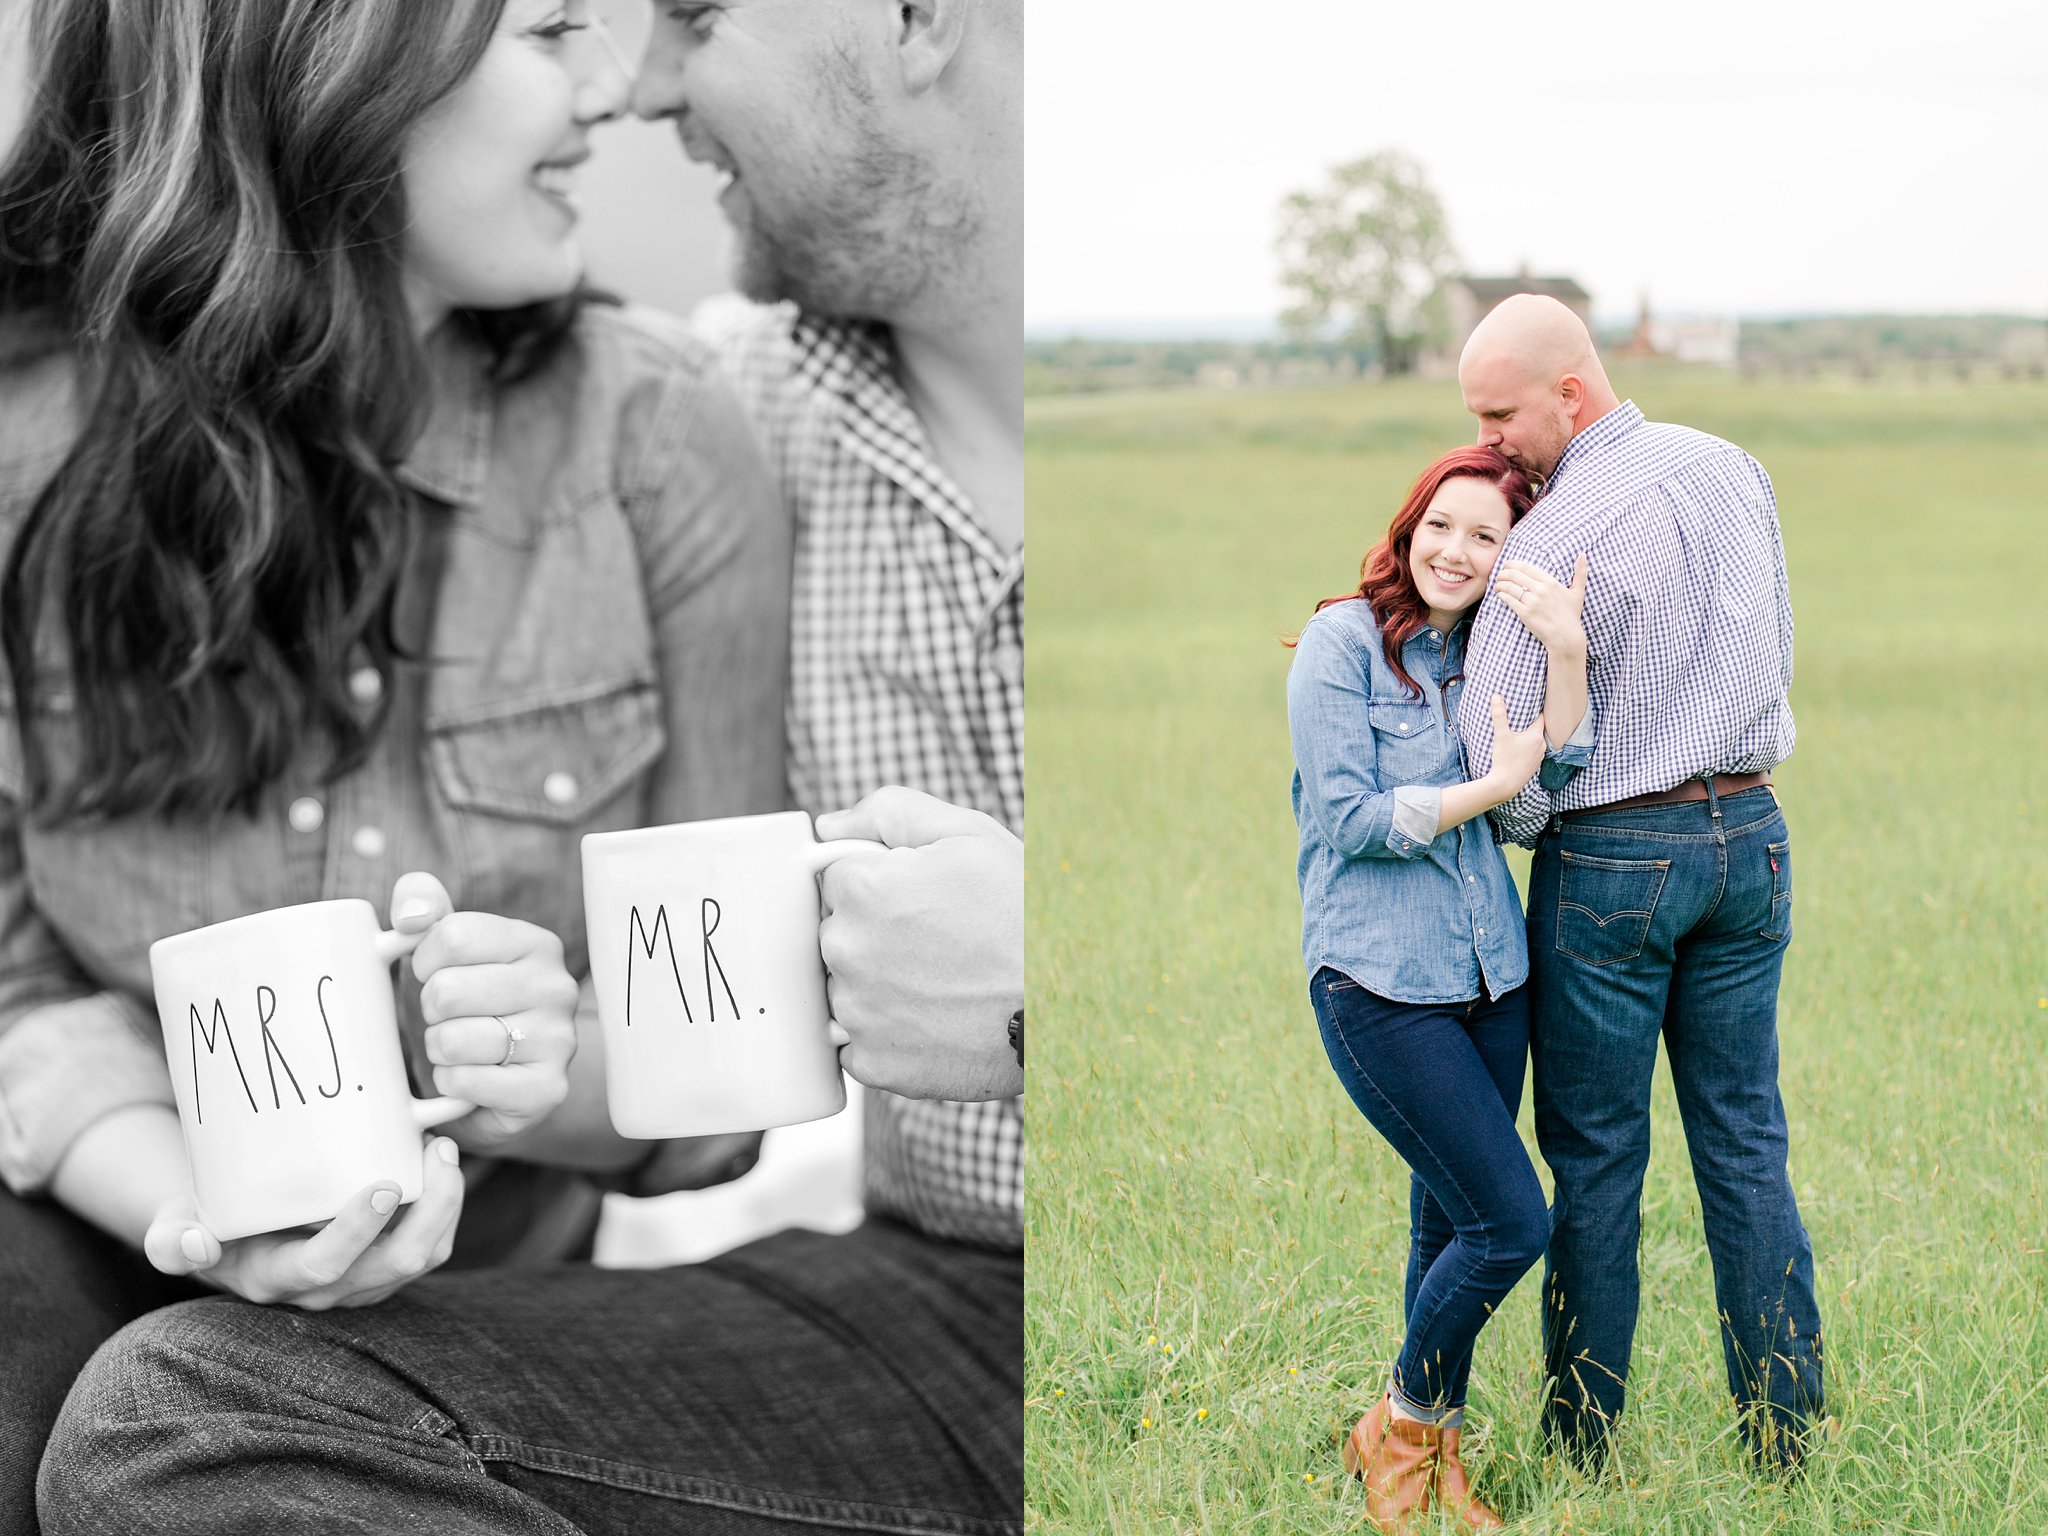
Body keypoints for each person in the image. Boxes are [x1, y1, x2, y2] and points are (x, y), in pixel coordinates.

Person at [40, 0, 1026, 1530]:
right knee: (150, 1400)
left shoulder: (668, 423)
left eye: (680, 17)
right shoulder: (774, 397)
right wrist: (182, 1195)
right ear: (320, 67)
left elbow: (710, 1072)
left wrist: (1048, 987)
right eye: (555, 26)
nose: (628, 87)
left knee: (174, 1412)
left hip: (619, 1281)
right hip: (103, 1190)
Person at [1454, 293, 1824, 1471]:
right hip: (1753, 836)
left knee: (1597, 1155)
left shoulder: (1546, 538)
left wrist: (1531, 792)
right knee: (1744, 1142)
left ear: (1569, 392)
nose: (1486, 438)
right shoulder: (1734, 469)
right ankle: (1783, 1440)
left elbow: (1505, 788)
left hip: (1614, 857)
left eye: (1498, 412)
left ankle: (1580, 1451)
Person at [1289, 446, 1592, 1530]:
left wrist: (1562, 655)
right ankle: (1401, 1429)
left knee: (1446, 1225)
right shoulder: (1338, 646)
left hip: (1489, 979)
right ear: (1408, 523)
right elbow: (1348, 821)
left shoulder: (1487, 654)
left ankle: (1428, 1455)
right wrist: (1494, 780)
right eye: (1440, 526)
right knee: (1512, 1223)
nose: (1454, 553)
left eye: (1485, 537)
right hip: (1378, 985)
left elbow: (1527, 813)